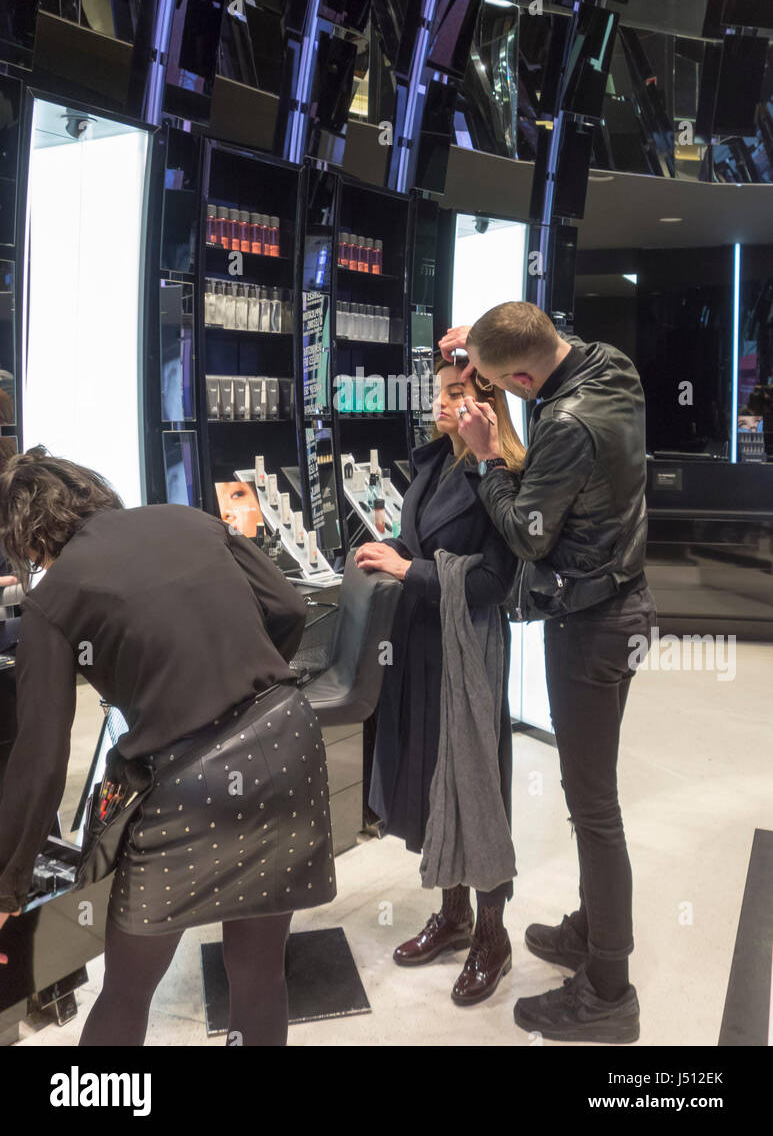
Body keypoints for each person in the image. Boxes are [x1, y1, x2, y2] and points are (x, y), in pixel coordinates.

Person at [0, 448, 336, 1046]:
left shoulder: (51, 603)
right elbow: (287, 607)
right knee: (259, 970)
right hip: (288, 741)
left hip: (188, 785)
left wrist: (6, 886)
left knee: (128, 987)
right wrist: (242, 681)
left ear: (28, 539)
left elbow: (40, 759)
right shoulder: (191, 520)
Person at [440, 303, 655, 1044]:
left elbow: (531, 536)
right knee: (589, 798)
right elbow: (530, 334)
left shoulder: (562, 426)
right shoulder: (609, 363)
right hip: (628, 604)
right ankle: (590, 933)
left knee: (594, 810)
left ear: (526, 377)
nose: (497, 397)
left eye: (503, 387)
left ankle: (607, 991)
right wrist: (477, 341)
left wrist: (488, 456)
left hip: (590, 626)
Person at [355, 355, 524, 1006]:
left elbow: (492, 584)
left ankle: (491, 936)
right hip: (420, 640)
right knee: (431, 774)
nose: (441, 402)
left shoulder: (499, 474)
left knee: (475, 783)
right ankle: (453, 915)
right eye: (441, 392)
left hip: (466, 648)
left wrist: (407, 572)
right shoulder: (433, 463)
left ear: (485, 406)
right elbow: (416, 545)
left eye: (456, 393)